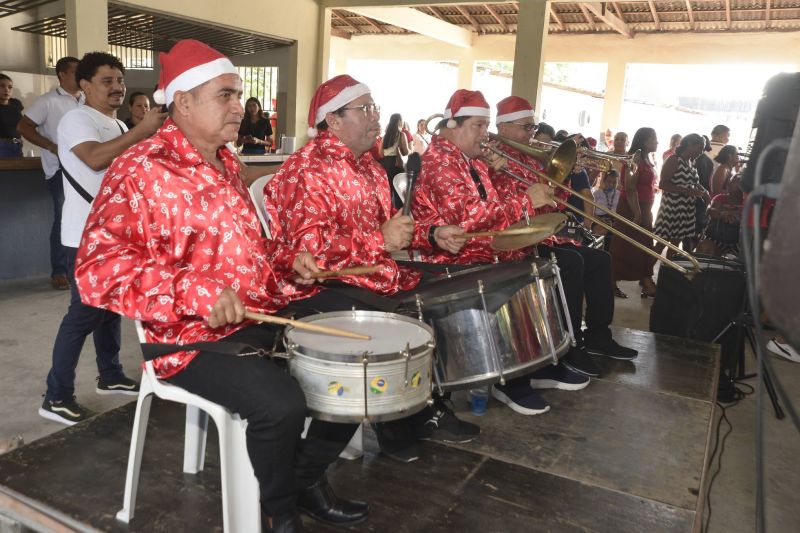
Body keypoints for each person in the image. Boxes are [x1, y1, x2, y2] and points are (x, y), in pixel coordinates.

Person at [74, 41, 368, 532]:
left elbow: (249, 249)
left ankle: (304, 476)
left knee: (357, 356)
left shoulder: (226, 163)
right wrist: (194, 292)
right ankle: (281, 511)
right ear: (183, 102)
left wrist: (291, 259)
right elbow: (96, 269)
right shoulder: (140, 168)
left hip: (256, 313)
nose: (240, 106)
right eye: (225, 95)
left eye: (239, 95)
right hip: (186, 338)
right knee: (282, 403)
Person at [264, 74, 474, 462]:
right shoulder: (307, 170)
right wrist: (380, 240)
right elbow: (308, 256)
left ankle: (420, 407)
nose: (376, 117)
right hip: (317, 288)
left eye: (375, 108)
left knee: (450, 292)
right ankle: (396, 423)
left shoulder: (370, 167)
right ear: (334, 120)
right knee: (397, 321)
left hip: (373, 275)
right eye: (366, 109)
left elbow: (394, 227)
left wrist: (432, 234)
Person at [38, 52, 167, 427]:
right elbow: (93, 159)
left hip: (113, 232)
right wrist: (141, 131)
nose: (117, 87)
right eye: (107, 81)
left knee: (111, 309)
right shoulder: (78, 119)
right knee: (83, 314)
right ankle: (56, 396)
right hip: (86, 236)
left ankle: (109, 375)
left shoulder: (111, 123)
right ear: (84, 85)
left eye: (119, 80)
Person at [488, 96, 637, 382]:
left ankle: (598, 335)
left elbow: (555, 204)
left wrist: (569, 175)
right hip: (516, 240)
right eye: (525, 127)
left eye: (532, 127)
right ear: (503, 127)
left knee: (601, 258)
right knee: (571, 262)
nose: (531, 134)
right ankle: (569, 343)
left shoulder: (532, 157)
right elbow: (504, 206)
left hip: (542, 233)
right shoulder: (494, 156)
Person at [17, 56, 82, 290]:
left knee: (84, 220)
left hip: (86, 170)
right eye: (75, 71)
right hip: (60, 171)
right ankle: (60, 271)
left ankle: (81, 269)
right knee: (63, 220)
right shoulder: (47, 101)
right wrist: (51, 146)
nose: (80, 74)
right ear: (62, 75)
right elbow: (23, 127)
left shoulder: (87, 100)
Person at [610, 127, 659, 298]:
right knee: (623, 245)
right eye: (654, 139)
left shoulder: (647, 157)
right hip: (632, 207)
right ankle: (611, 281)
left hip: (643, 207)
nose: (657, 142)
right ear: (645, 141)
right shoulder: (636, 157)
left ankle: (646, 280)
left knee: (644, 245)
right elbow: (630, 188)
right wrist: (637, 213)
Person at [654, 133, 709, 257]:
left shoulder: (691, 162)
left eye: (702, 148)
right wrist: (688, 191)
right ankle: (646, 273)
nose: (701, 151)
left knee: (674, 247)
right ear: (689, 144)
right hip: (672, 209)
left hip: (686, 211)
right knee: (660, 245)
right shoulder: (674, 159)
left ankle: (666, 274)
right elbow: (663, 184)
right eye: (699, 147)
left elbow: (694, 182)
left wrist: (704, 192)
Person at [697, 173, 744, 258]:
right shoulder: (720, 198)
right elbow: (709, 211)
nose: (729, 184)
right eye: (730, 182)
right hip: (716, 238)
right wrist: (722, 214)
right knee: (705, 248)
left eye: (733, 183)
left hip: (737, 242)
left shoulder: (747, 202)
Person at [379, 112, 409, 207]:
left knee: (388, 190)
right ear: (399, 121)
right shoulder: (401, 135)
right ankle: (400, 214)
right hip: (396, 164)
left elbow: (380, 152)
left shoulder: (385, 136)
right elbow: (406, 152)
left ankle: (388, 212)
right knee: (399, 191)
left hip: (385, 164)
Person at [591, 169, 620, 251]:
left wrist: (614, 222)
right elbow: (591, 211)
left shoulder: (619, 195)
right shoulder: (597, 193)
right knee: (601, 231)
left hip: (614, 221)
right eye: (609, 181)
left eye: (614, 182)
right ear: (604, 181)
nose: (611, 184)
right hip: (598, 220)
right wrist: (601, 221)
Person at [0, 73, 23, 157]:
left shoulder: (16, 103)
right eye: (2, 86)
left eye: (10, 87)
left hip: (17, 144)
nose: (6, 90)